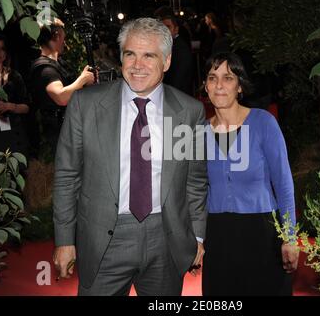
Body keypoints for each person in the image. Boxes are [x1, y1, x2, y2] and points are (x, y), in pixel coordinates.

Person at [52, 18, 207, 296]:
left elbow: (195, 181)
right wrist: (64, 240)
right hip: (104, 240)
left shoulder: (188, 112)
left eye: (149, 55)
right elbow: (67, 176)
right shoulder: (85, 105)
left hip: (166, 238)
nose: (137, 65)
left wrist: (196, 236)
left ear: (167, 61)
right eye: (130, 54)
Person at [201, 52, 299, 296]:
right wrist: (196, 240)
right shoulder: (198, 132)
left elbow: (284, 184)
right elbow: (195, 191)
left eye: (228, 78)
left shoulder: (263, 122)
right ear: (205, 86)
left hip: (263, 233)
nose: (219, 85)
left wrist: (290, 238)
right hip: (218, 235)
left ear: (240, 86)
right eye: (212, 78)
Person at [29, 18, 95, 157]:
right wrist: (82, 79)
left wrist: (86, 82)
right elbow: (61, 98)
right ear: (57, 36)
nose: (65, 43)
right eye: (63, 38)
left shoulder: (59, 63)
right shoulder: (45, 69)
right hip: (55, 133)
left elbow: (71, 91)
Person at [160, 15, 194, 95]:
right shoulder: (169, 45)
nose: (165, 31)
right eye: (162, 28)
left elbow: (179, 78)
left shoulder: (180, 48)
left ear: (176, 30)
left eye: (168, 26)